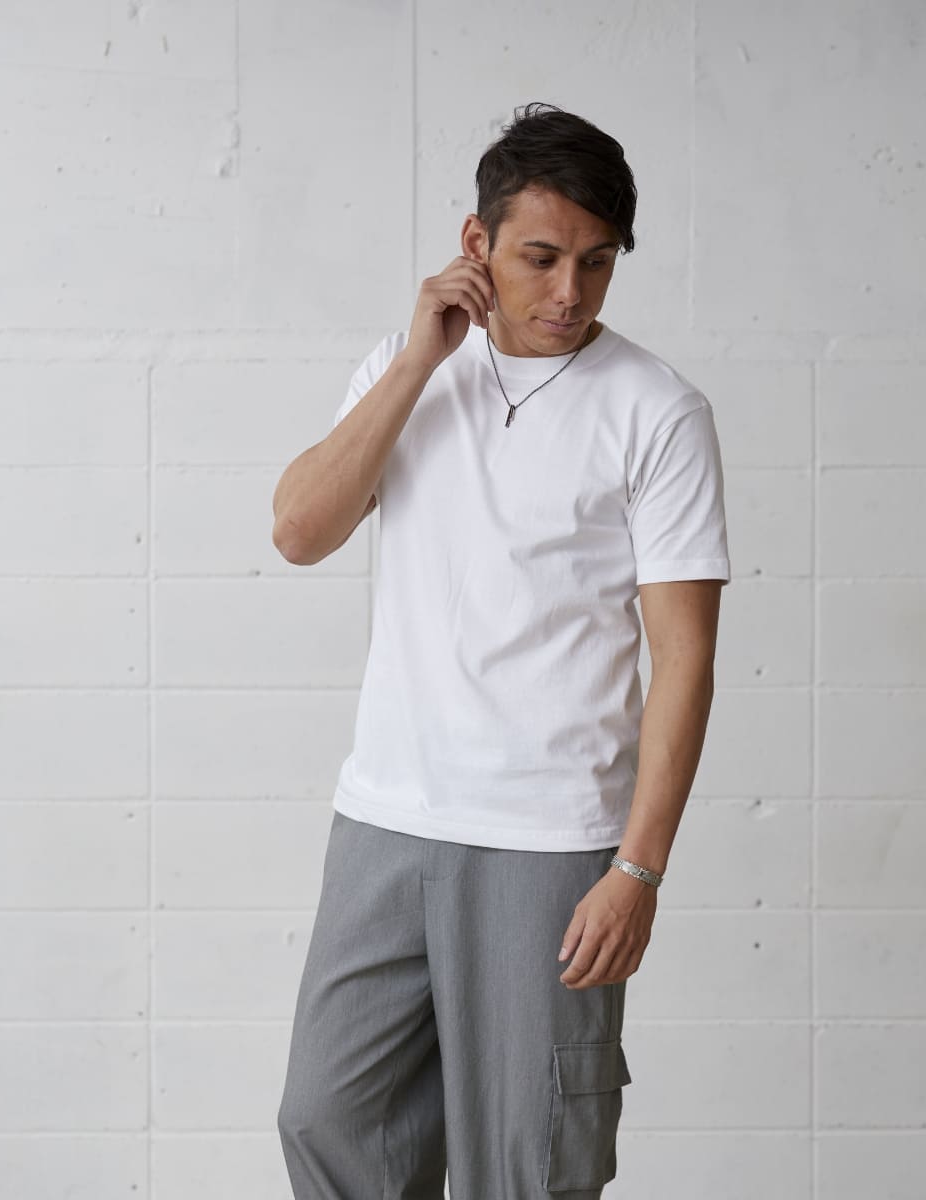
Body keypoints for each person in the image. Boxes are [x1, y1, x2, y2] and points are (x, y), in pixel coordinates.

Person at [270, 101, 730, 1199]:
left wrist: (638, 870)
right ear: (476, 243)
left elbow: (685, 662)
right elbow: (298, 531)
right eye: (541, 257)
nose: (571, 291)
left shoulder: (658, 412)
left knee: (527, 1166)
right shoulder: (403, 371)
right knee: (329, 1124)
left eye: (598, 262)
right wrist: (418, 363)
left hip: (549, 846)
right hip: (385, 823)